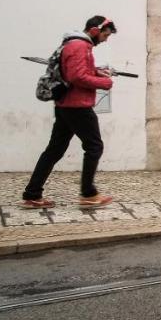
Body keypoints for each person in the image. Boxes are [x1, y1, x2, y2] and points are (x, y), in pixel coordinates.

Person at [20, 16, 117, 208]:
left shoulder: (73, 44)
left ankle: (32, 194)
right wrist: (104, 82)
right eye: (105, 35)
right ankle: (88, 194)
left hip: (65, 105)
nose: (106, 39)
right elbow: (77, 76)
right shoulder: (79, 46)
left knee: (54, 150)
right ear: (95, 31)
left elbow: (73, 71)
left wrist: (96, 71)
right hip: (77, 106)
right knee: (94, 147)